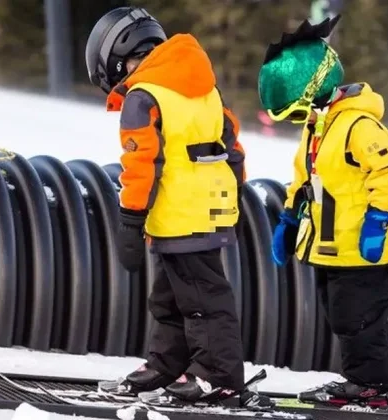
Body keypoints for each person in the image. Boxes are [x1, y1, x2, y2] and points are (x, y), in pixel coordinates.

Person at [85, 7, 249, 404]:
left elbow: (140, 164)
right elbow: (234, 149)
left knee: (202, 300)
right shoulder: (206, 88)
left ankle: (218, 376)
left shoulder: (143, 97)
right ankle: (167, 364)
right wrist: (233, 199)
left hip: (178, 213)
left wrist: (129, 219)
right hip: (204, 212)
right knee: (171, 297)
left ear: (121, 55)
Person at [258, 16, 388, 408]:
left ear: (316, 91)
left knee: (360, 319)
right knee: (342, 316)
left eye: (297, 113)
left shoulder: (359, 125)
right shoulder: (318, 130)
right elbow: (304, 179)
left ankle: (373, 385)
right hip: (333, 247)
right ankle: (358, 379)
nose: (300, 122)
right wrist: (290, 219)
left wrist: (377, 221)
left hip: (364, 247)